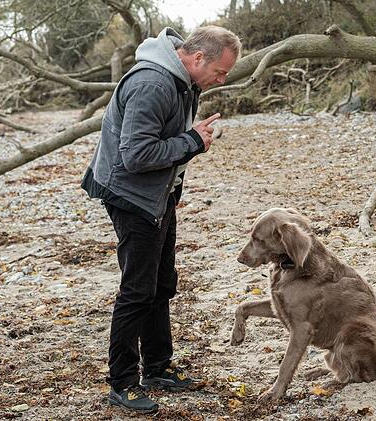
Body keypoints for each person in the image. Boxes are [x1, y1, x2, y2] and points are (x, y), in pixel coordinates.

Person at [81, 26, 241, 413]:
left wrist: (176, 179)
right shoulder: (154, 82)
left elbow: (164, 138)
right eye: (220, 72)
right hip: (130, 195)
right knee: (137, 290)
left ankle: (157, 367)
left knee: (162, 283)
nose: (221, 80)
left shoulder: (182, 79)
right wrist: (193, 142)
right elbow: (136, 155)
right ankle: (122, 382)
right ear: (198, 57)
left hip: (158, 195)